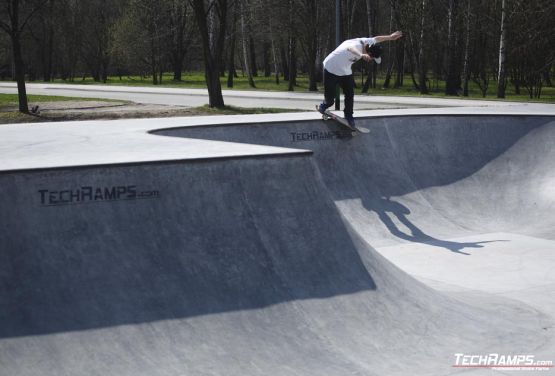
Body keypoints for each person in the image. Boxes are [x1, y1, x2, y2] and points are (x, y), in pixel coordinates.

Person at [317, 31, 403, 128]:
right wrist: (361, 55)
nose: (370, 59)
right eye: (371, 57)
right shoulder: (356, 45)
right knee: (330, 100)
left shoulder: (369, 42)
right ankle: (325, 104)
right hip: (331, 68)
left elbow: (377, 38)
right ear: (369, 52)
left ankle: (349, 115)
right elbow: (350, 48)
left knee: (350, 94)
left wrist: (390, 37)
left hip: (345, 71)